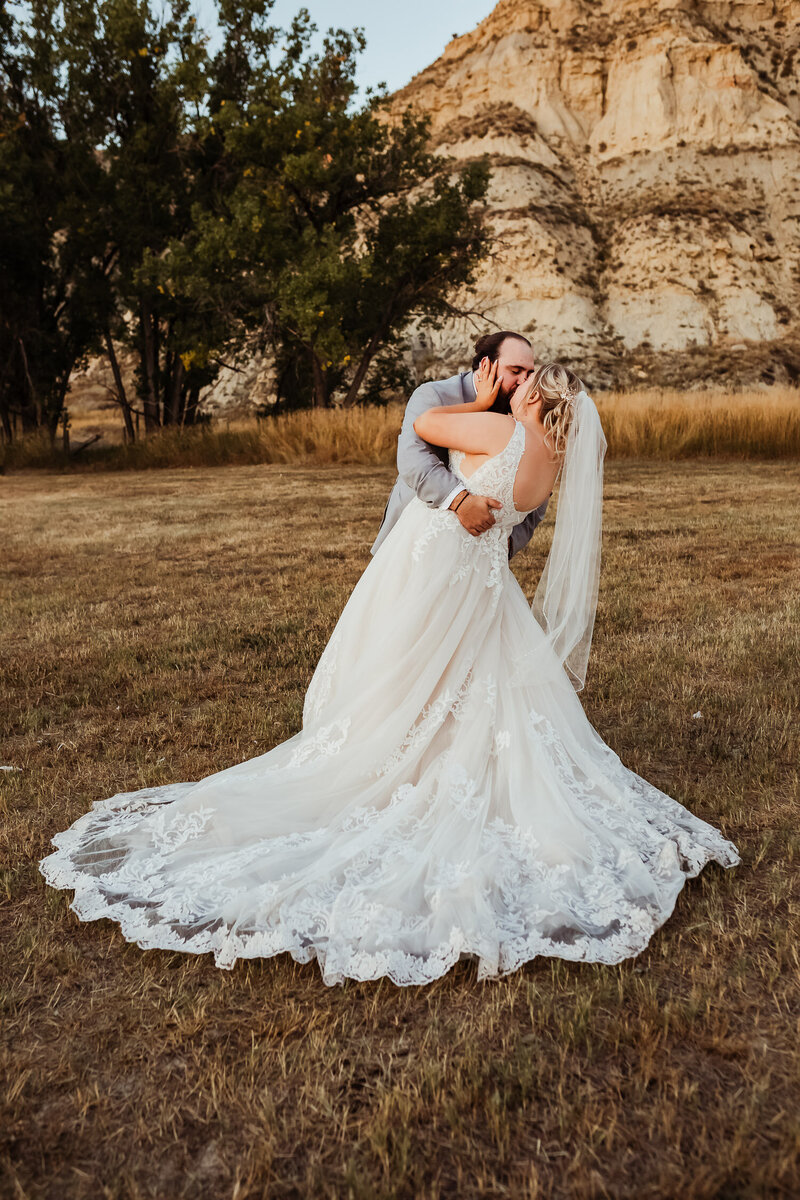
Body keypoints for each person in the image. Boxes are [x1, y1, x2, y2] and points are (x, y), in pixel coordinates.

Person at [39, 359, 741, 987]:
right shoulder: (551, 462)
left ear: (535, 401)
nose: (514, 387)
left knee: (405, 667)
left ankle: (385, 754)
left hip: (434, 568)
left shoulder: (502, 436)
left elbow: (427, 422)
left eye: (525, 383)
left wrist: (489, 398)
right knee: (466, 682)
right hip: (486, 581)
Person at [371, 330, 550, 560]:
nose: (523, 381)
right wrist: (460, 501)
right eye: (515, 371)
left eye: (528, 374)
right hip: (414, 542)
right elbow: (412, 459)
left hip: (477, 559)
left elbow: (540, 486)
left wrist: (509, 542)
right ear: (486, 365)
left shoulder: (524, 412)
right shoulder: (434, 395)